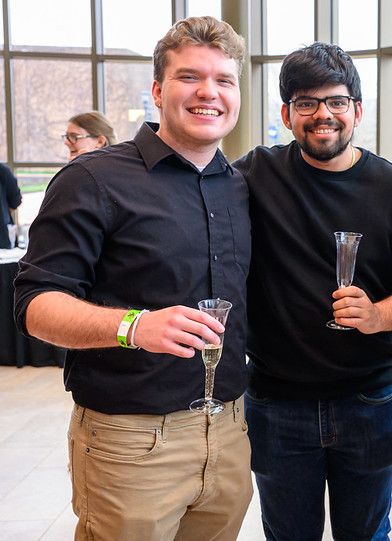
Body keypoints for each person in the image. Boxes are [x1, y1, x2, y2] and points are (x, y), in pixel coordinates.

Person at [14, 16, 252, 541]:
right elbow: (35, 304)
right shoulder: (94, 179)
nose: (208, 93)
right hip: (132, 441)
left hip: (231, 432)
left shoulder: (239, 187)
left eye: (224, 80)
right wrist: (133, 326)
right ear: (158, 89)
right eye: (190, 77)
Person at [233, 42, 392, 540]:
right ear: (287, 113)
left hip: (370, 398)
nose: (323, 115)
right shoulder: (255, 174)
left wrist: (378, 314)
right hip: (277, 401)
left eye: (337, 102)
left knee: (366, 535)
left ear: (357, 110)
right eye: (306, 103)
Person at [0, 163, 22, 249]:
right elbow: (15, 200)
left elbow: (15, 200)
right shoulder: (3, 171)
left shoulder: (3, 171)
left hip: (3, 239)